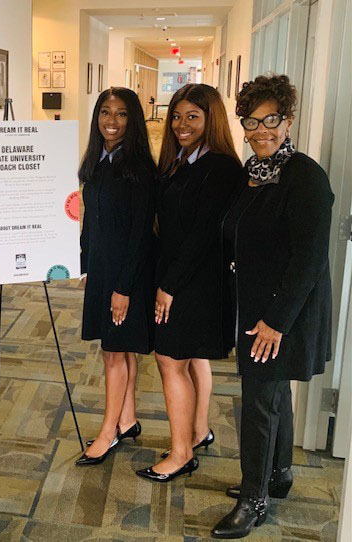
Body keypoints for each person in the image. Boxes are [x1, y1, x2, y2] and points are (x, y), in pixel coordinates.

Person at [211, 74, 334, 538]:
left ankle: (253, 500)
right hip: (258, 306)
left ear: (288, 120)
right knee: (274, 394)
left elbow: (308, 259)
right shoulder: (255, 171)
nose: (261, 130)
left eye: (271, 120)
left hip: (282, 313)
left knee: (259, 402)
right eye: (251, 120)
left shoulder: (304, 176)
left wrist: (276, 322)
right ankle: (277, 476)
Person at [136, 84, 241, 483]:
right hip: (181, 273)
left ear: (210, 119)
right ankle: (198, 431)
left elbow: (202, 234)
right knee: (193, 357)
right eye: (177, 116)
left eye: (192, 117)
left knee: (170, 361)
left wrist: (169, 286)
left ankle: (181, 453)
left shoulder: (221, 167)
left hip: (196, 280)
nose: (181, 125)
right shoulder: (180, 159)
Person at [75, 87, 157, 466]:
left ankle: (108, 432)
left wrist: (123, 288)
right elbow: (91, 221)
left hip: (127, 274)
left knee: (112, 353)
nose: (111, 121)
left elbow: (141, 233)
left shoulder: (138, 167)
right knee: (118, 347)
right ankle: (127, 419)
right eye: (105, 112)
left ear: (133, 120)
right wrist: (87, 266)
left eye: (121, 114)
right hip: (103, 269)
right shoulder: (98, 161)